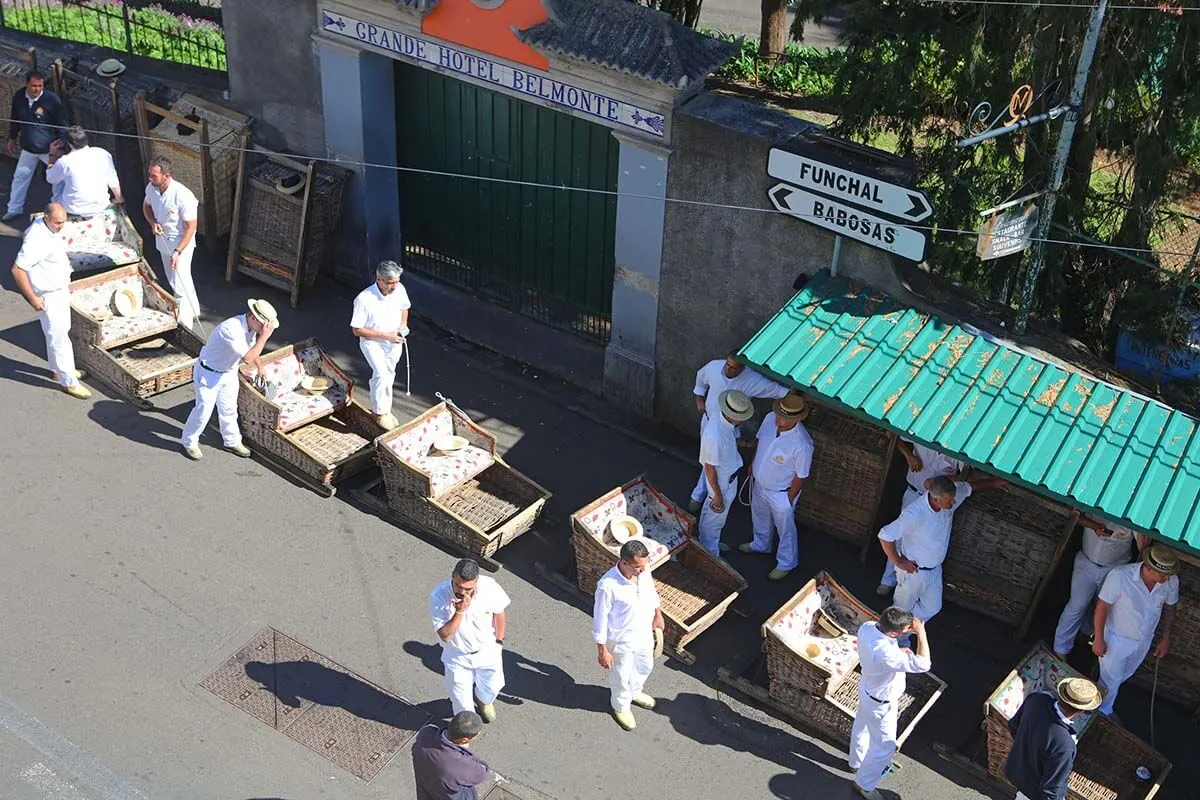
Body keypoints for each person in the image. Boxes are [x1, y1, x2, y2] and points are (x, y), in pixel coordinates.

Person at [877, 473, 1007, 625]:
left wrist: (993, 482)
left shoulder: (949, 497)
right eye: (949, 501)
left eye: (953, 499)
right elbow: (885, 536)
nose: (953, 503)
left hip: (935, 569)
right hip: (913, 572)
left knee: (932, 608)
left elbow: (969, 487)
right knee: (901, 611)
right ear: (936, 500)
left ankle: (902, 629)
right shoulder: (915, 514)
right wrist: (898, 562)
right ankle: (894, 637)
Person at [689, 351, 788, 513]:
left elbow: (775, 390)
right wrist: (700, 400)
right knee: (710, 462)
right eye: (727, 365)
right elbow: (700, 377)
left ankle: (714, 496)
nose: (728, 369)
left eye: (734, 368)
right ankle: (704, 497)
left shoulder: (752, 380)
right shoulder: (714, 367)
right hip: (709, 423)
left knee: (721, 463)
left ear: (743, 369)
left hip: (732, 431)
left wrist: (792, 396)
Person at [180, 299, 278, 460]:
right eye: (263, 326)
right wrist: (265, 337)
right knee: (203, 411)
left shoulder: (252, 328)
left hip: (228, 372)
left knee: (229, 409)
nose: (264, 330)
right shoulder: (231, 329)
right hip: (209, 374)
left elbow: (253, 350)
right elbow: (247, 357)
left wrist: (260, 367)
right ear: (253, 317)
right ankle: (188, 441)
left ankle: (231, 441)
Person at [9, 202, 90, 399]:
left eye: (63, 222)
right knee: (59, 338)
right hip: (48, 294)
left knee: (56, 334)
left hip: (57, 290)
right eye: (57, 223)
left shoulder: (44, 226)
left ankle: (58, 370)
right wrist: (33, 299)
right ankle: (69, 381)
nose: (61, 226)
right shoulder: (37, 239)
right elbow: (17, 270)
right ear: (47, 218)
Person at [849, 606, 931, 800]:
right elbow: (923, 664)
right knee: (884, 747)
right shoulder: (887, 655)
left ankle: (856, 762)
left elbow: (885, 646)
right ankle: (864, 785)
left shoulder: (869, 627)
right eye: (906, 629)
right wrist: (921, 633)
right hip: (881, 703)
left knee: (862, 726)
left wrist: (899, 649)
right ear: (894, 632)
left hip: (867, 688)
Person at [1093, 544, 1179, 717]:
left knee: (1122, 676)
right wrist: (1099, 638)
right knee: (1111, 680)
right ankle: (1103, 713)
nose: (1165, 579)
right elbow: (1102, 606)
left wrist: (1165, 638)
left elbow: (1170, 609)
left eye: (1167, 575)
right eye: (1161, 574)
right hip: (1116, 638)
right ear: (1148, 567)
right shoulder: (1120, 576)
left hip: (1144, 640)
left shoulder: (1171, 581)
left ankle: (1091, 704)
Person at [739, 392, 814, 581]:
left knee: (785, 528)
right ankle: (761, 544)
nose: (779, 420)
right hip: (759, 483)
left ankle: (786, 562)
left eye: (785, 419)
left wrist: (788, 499)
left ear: (796, 419)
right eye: (779, 415)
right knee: (759, 515)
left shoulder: (802, 444)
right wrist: (754, 463)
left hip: (781, 493)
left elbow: (801, 476)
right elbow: (761, 443)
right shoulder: (769, 418)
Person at [876, 439, 965, 595]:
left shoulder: (959, 449)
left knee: (926, 544)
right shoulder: (925, 435)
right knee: (898, 537)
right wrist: (908, 455)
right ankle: (887, 580)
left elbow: (965, 476)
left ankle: (907, 589)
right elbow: (891, 434)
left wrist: (942, 482)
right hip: (914, 494)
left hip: (938, 502)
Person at [593, 539, 665, 731]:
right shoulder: (607, 586)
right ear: (624, 563)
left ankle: (635, 692)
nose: (642, 570)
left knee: (645, 665)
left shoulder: (643, 571)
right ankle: (620, 705)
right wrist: (602, 650)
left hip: (644, 633)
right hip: (621, 640)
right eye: (637, 567)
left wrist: (658, 614)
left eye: (644, 565)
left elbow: (651, 592)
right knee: (621, 675)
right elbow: (600, 619)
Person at [1052, 515, 1146, 658]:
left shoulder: (1133, 516)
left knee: (1100, 608)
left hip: (1114, 570)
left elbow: (1143, 547)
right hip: (1086, 563)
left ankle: (1085, 635)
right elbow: (1074, 514)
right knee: (1077, 605)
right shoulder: (1096, 505)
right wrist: (1094, 525)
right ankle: (1060, 650)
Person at [430, 559, 510, 723]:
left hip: (487, 650)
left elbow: (499, 612)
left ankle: (483, 701)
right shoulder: (439, 597)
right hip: (457, 656)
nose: (462, 592)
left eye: (468, 588)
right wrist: (459, 612)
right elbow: (445, 635)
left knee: (493, 686)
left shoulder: (489, 587)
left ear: (476, 582)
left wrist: (499, 642)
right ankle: (463, 735)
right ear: (452, 576)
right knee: (461, 704)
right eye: (458, 586)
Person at [1004, 677, 1101, 800]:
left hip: (1018, 774)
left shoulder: (1036, 699)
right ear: (1082, 710)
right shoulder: (1065, 745)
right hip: (1034, 794)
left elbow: (1013, 725)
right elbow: (1052, 790)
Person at [350, 259, 411, 430]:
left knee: (389, 374)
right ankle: (378, 413)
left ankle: (385, 410)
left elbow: (404, 308)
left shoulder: (399, 290)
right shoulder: (364, 299)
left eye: (397, 282)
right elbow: (357, 329)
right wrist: (386, 336)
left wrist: (403, 325)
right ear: (380, 280)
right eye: (391, 283)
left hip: (394, 340)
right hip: (372, 343)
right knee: (381, 374)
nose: (394, 286)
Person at [143, 156, 201, 330]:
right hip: (163, 241)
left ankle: (185, 327)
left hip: (181, 244)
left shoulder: (183, 195)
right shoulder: (151, 188)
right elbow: (146, 206)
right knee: (176, 279)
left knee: (179, 284)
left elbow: (191, 227)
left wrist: (178, 251)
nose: (150, 178)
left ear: (166, 176)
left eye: (154, 176)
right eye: (150, 175)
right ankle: (194, 310)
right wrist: (153, 223)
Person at [5, 71, 69, 222]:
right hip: (28, 147)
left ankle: (56, 210)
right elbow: (15, 117)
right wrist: (12, 137)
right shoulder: (20, 96)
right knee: (20, 177)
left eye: (40, 86)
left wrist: (61, 144)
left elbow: (63, 123)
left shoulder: (51, 100)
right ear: (27, 84)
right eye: (33, 86)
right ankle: (14, 209)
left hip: (49, 149)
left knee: (57, 180)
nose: (37, 89)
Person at [697, 389, 753, 556]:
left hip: (728, 478)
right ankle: (709, 554)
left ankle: (709, 543)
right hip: (721, 481)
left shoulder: (724, 424)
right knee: (714, 518)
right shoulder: (715, 434)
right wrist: (717, 494)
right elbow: (709, 466)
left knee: (715, 518)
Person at [45, 126, 122, 218]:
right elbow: (112, 178)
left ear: (69, 144)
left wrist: (52, 155)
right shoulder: (103, 153)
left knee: (57, 179)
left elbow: (50, 179)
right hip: (101, 205)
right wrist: (119, 198)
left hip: (73, 209)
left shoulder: (64, 161)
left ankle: (56, 205)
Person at [411, 711, 490, 800]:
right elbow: (482, 771)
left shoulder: (426, 733)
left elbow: (429, 730)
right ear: (464, 740)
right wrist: (463, 750)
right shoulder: (461, 765)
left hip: (426, 792)